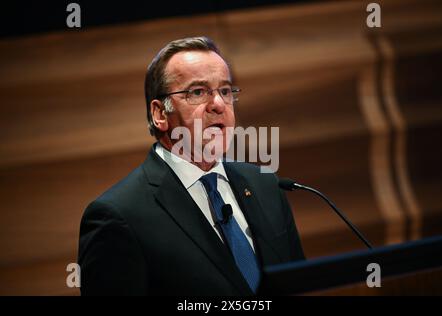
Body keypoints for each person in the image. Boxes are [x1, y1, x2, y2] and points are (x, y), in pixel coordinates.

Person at [78, 36, 305, 296]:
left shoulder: (266, 185)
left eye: (225, 91)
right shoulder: (117, 216)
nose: (218, 104)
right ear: (160, 114)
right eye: (198, 92)